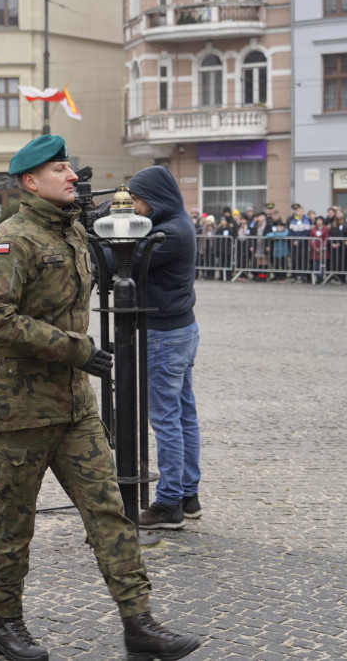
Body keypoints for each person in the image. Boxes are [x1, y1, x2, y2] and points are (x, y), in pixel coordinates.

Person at [0, 135, 202, 661]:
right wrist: (76, 349)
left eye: (71, 168)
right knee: (14, 522)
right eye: (61, 170)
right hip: (21, 411)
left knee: (110, 514)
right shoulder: (12, 240)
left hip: (75, 408)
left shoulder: (73, 232)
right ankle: (5, 624)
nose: (73, 176)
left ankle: (139, 624)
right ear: (31, 182)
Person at [129, 165, 203, 538]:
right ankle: (188, 495)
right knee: (184, 414)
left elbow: (120, 263)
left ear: (155, 197)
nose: (135, 206)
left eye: (138, 199)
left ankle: (169, 502)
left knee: (167, 419)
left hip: (165, 335)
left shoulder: (167, 233)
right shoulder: (176, 222)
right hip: (180, 329)